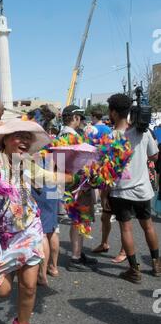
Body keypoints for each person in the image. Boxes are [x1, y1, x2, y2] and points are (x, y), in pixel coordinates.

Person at [0, 119, 72, 324]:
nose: (24, 141)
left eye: (27, 138)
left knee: (29, 287)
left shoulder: (28, 164)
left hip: (28, 229)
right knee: (1, 292)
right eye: (18, 135)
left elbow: (48, 178)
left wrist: (76, 176)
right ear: (5, 139)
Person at [107, 93, 161, 283]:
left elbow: (106, 167)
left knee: (126, 229)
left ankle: (134, 270)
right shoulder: (143, 132)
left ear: (113, 112)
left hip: (120, 190)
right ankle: (156, 264)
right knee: (148, 226)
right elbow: (154, 156)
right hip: (142, 189)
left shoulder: (111, 137)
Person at [59, 105, 98, 272]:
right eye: (80, 118)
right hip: (77, 186)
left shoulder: (66, 135)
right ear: (74, 118)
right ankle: (75, 257)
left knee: (79, 220)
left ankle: (78, 253)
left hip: (74, 185)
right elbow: (73, 164)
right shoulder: (69, 136)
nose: (82, 121)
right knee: (79, 220)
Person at [28, 106, 60, 285]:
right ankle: (53, 267)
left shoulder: (34, 144)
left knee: (41, 233)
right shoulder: (53, 141)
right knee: (52, 230)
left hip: (39, 188)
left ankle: (42, 275)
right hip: (54, 186)